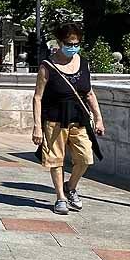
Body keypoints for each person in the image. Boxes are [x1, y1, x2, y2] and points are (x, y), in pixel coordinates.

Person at [31, 22, 105, 215]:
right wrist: (37, 127)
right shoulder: (47, 66)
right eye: (69, 43)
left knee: (85, 158)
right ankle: (60, 198)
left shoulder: (84, 63)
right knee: (56, 160)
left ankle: (70, 187)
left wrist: (98, 119)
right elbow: (38, 97)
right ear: (60, 42)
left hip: (78, 119)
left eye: (76, 43)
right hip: (54, 119)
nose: (73, 46)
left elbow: (89, 93)